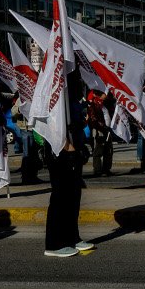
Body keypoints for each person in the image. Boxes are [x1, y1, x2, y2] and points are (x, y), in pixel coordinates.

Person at [44, 69, 94, 257]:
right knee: (61, 197)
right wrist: (69, 147)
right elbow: (54, 125)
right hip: (61, 150)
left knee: (73, 197)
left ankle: (71, 236)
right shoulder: (57, 96)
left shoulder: (73, 99)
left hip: (74, 148)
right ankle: (54, 244)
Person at [86, 89, 115, 177]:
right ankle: (97, 170)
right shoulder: (94, 104)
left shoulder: (106, 103)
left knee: (108, 150)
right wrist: (101, 126)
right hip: (99, 130)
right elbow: (92, 118)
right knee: (98, 150)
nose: (106, 96)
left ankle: (106, 169)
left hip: (107, 129)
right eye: (104, 94)